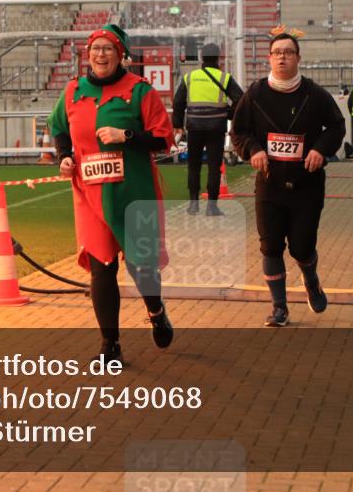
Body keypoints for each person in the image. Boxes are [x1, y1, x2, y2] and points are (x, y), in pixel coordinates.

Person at [47, 24, 175, 362]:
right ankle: (110, 345)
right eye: (95, 48)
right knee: (101, 266)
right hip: (89, 194)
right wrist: (64, 157)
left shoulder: (140, 90)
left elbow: (164, 138)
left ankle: (155, 311)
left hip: (133, 191)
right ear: (87, 54)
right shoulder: (73, 91)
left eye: (108, 49)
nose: (100, 54)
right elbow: (58, 127)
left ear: (121, 55)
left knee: (140, 267)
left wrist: (127, 137)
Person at [230, 28, 345, 327]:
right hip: (269, 185)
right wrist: (253, 150)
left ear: (298, 58)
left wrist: (321, 150)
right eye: (277, 52)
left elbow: (336, 127)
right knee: (270, 246)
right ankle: (279, 308)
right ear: (269, 59)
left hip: (307, 185)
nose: (282, 57)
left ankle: (311, 278)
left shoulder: (315, 94)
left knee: (301, 247)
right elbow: (238, 132)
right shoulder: (254, 94)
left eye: (288, 52)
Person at [171, 43, 243, 216]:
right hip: (216, 128)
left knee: (194, 166)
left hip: (194, 127)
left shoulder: (190, 77)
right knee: (214, 166)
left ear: (202, 57)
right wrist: (228, 114)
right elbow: (241, 99)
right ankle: (212, 206)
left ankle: (193, 204)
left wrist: (177, 124)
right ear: (219, 58)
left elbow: (178, 102)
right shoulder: (225, 78)